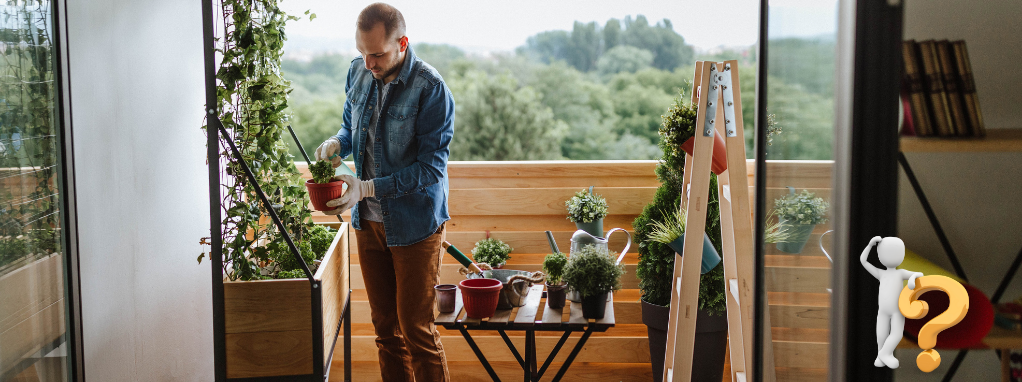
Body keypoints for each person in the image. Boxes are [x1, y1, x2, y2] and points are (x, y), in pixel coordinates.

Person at [313, 3, 454, 381]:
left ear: (402, 43)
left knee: (416, 331)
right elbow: (349, 127)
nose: (368, 63)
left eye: (376, 54)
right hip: (368, 222)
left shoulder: (431, 88)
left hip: (415, 226)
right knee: (385, 332)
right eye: (362, 53)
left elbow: (431, 169)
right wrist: (336, 144)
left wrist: (369, 187)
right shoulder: (358, 72)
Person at [859, 236, 923, 369]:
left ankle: (883, 354)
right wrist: (870, 245)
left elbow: (919, 274)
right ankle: (882, 355)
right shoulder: (884, 273)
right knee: (885, 333)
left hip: (893, 308)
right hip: (888, 308)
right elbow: (863, 261)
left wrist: (912, 280)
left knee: (892, 333)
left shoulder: (895, 273)